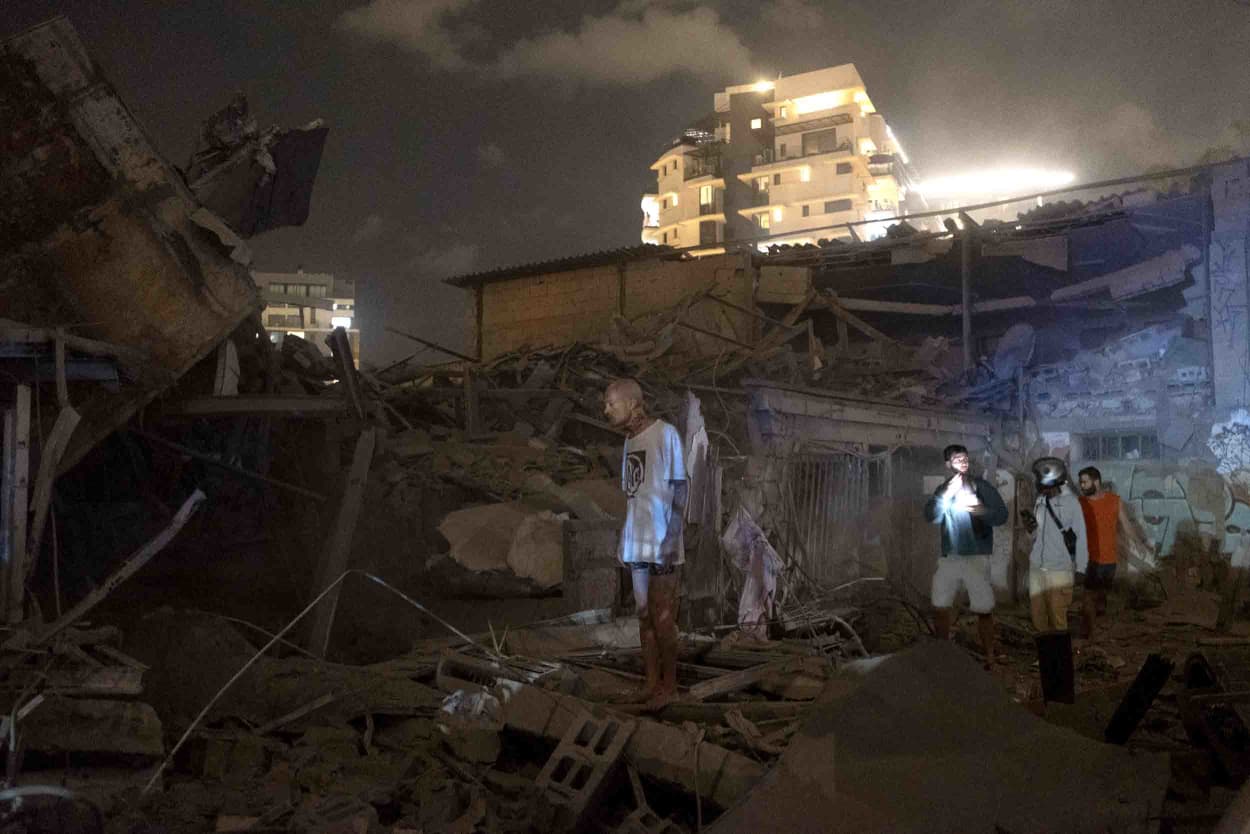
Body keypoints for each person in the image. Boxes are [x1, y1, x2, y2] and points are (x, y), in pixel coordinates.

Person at [603, 378, 687, 710]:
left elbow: (681, 488)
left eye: (611, 403)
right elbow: (634, 495)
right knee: (643, 615)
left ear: (634, 404)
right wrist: (624, 539)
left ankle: (671, 685)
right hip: (637, 543)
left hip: (662, 540)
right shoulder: (629, 442)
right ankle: (651, 684)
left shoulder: (665, 434)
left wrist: (671, 538)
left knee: (663, 616)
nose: (605, 409)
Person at [923, 444, 1009, 668]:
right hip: (950, 556)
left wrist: (980, 511)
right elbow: (930, 515)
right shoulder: (943, 489)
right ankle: (943, 654)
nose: (962, 462)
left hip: (976, 556)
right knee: (940, 604)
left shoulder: (982, 487)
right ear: (947, 464)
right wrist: (945, 496)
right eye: (957, 459)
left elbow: (1001, 515)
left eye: (965, 458)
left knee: (983, 607)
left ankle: (990, 657)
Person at [1077, 466, 1148, 638]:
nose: (1082, 486)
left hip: (1109, 561)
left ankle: (1095, 623)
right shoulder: (1080, 504)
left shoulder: (1114, 501)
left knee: (1100, 597)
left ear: (1096, 482)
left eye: (1085, 482)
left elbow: (1126, 525)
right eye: (1081, 483)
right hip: (1089, 559)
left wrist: (1138, 543)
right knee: (1088, 596)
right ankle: (1090, 636)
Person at [1026, 457, 1088, 632]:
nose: (1037, 482)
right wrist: (1030, 529)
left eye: (1039, 478)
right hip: (1037, 567)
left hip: (1059, 569)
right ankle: (1045, 658)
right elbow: (1039, 534)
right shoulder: (1040, 501)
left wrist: (1081, 569)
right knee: (1038, 617)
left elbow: (1082, 536)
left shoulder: (1071, 503)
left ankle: (1061, 659)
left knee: (1057, 617)